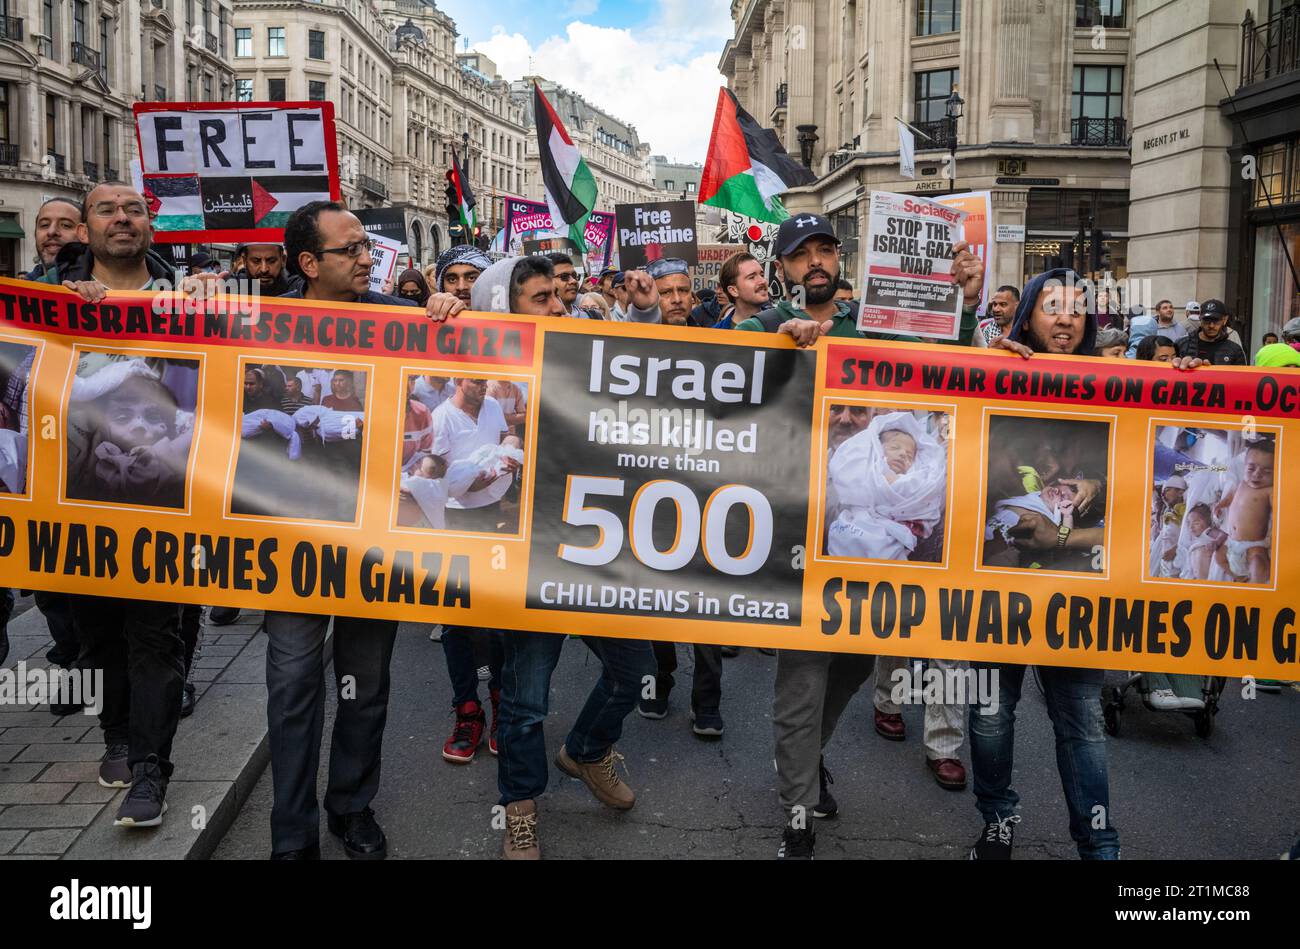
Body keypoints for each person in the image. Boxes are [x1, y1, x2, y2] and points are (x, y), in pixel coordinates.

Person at [732, 213, 982, 858]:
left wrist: (965, 305)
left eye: (825, 251)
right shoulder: (760, 327)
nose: (815, 262)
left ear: (839, 260)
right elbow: (723, 385)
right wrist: (777, 343)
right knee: (801, 679)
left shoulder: (870, 328)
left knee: (851, 667)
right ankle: (797, 811)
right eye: (800, 255)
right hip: (796, 533)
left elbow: (939, 365)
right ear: (781, 267)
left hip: (867, 545)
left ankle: (808, 766)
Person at [260, 200, 464, 860]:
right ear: (309, 262)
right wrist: (200, 292)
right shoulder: (261, 322)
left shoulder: (399, 318)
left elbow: (470, 369)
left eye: (365, 249)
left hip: (376, 536)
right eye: (350, 250)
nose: (367, 258)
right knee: (293, 687)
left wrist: (451, 316)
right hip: (293, 540)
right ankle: (292, 837)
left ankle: (351, 806)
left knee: (365, 683)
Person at [464, 256, 658, 859]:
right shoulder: (484, 376)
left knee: (633, 671)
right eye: (541, 298)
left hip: (596, 551)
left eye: (559, 295)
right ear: (506, 309)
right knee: (525, 700)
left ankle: (587, 750)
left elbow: (676, 371)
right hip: (527, 557)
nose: (558, 305)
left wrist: (644, 308)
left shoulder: (592, 352)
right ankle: (519, 807)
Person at [35, 183, 186, 829]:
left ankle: (151, 770)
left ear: (149, 224)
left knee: (158, 637)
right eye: (107, 209)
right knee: (99, 635)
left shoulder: (190, 297)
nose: (122, 219)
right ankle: (117, 737)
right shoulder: (44, 299)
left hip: (169, 506)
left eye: (135, 210)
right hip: (79, 503)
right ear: (85, 227)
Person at [964, 267, 1123, 860]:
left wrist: (1098, 480)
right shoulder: (993, 369)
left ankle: (1099, 845)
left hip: (1077, 592)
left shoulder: (1117, 380)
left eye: (1077, 308)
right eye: (1052, 306)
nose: (1065, 317)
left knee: (1082, 721)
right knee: (990, 714)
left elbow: (1142, 480)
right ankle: (997, 823)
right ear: (1028, 314)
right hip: (991, 585)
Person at [25, 197, 82, 279]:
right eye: (44, 225)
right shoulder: (18, 290)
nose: (51, 232)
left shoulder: (103, 289)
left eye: (65, 225)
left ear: (85, 234)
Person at [1175, 299, 1246, 365]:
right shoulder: (1181, 345)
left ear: (1225, 320)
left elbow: (1241, 376)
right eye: (1207, 320)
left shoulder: (1235, 350)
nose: (1211, 325)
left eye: (1216, 320)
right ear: (1200, 319)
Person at [713, 251, 771, 330]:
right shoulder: (716, 335)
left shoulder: (780, 323)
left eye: (762, 275)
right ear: (733, 290)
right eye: (752, 277)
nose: (763, 281)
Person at [232, 242, 300, 296]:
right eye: (256, 261)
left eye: (271, 261)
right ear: (244, 261)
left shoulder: (298, 288)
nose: (264, 269)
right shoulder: (232, 290)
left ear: (283, 260)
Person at [645, 258, 693, 325]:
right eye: (666, 292)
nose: (677, 300)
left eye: (683, 290)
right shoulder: (635, 334)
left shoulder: (707, 332)